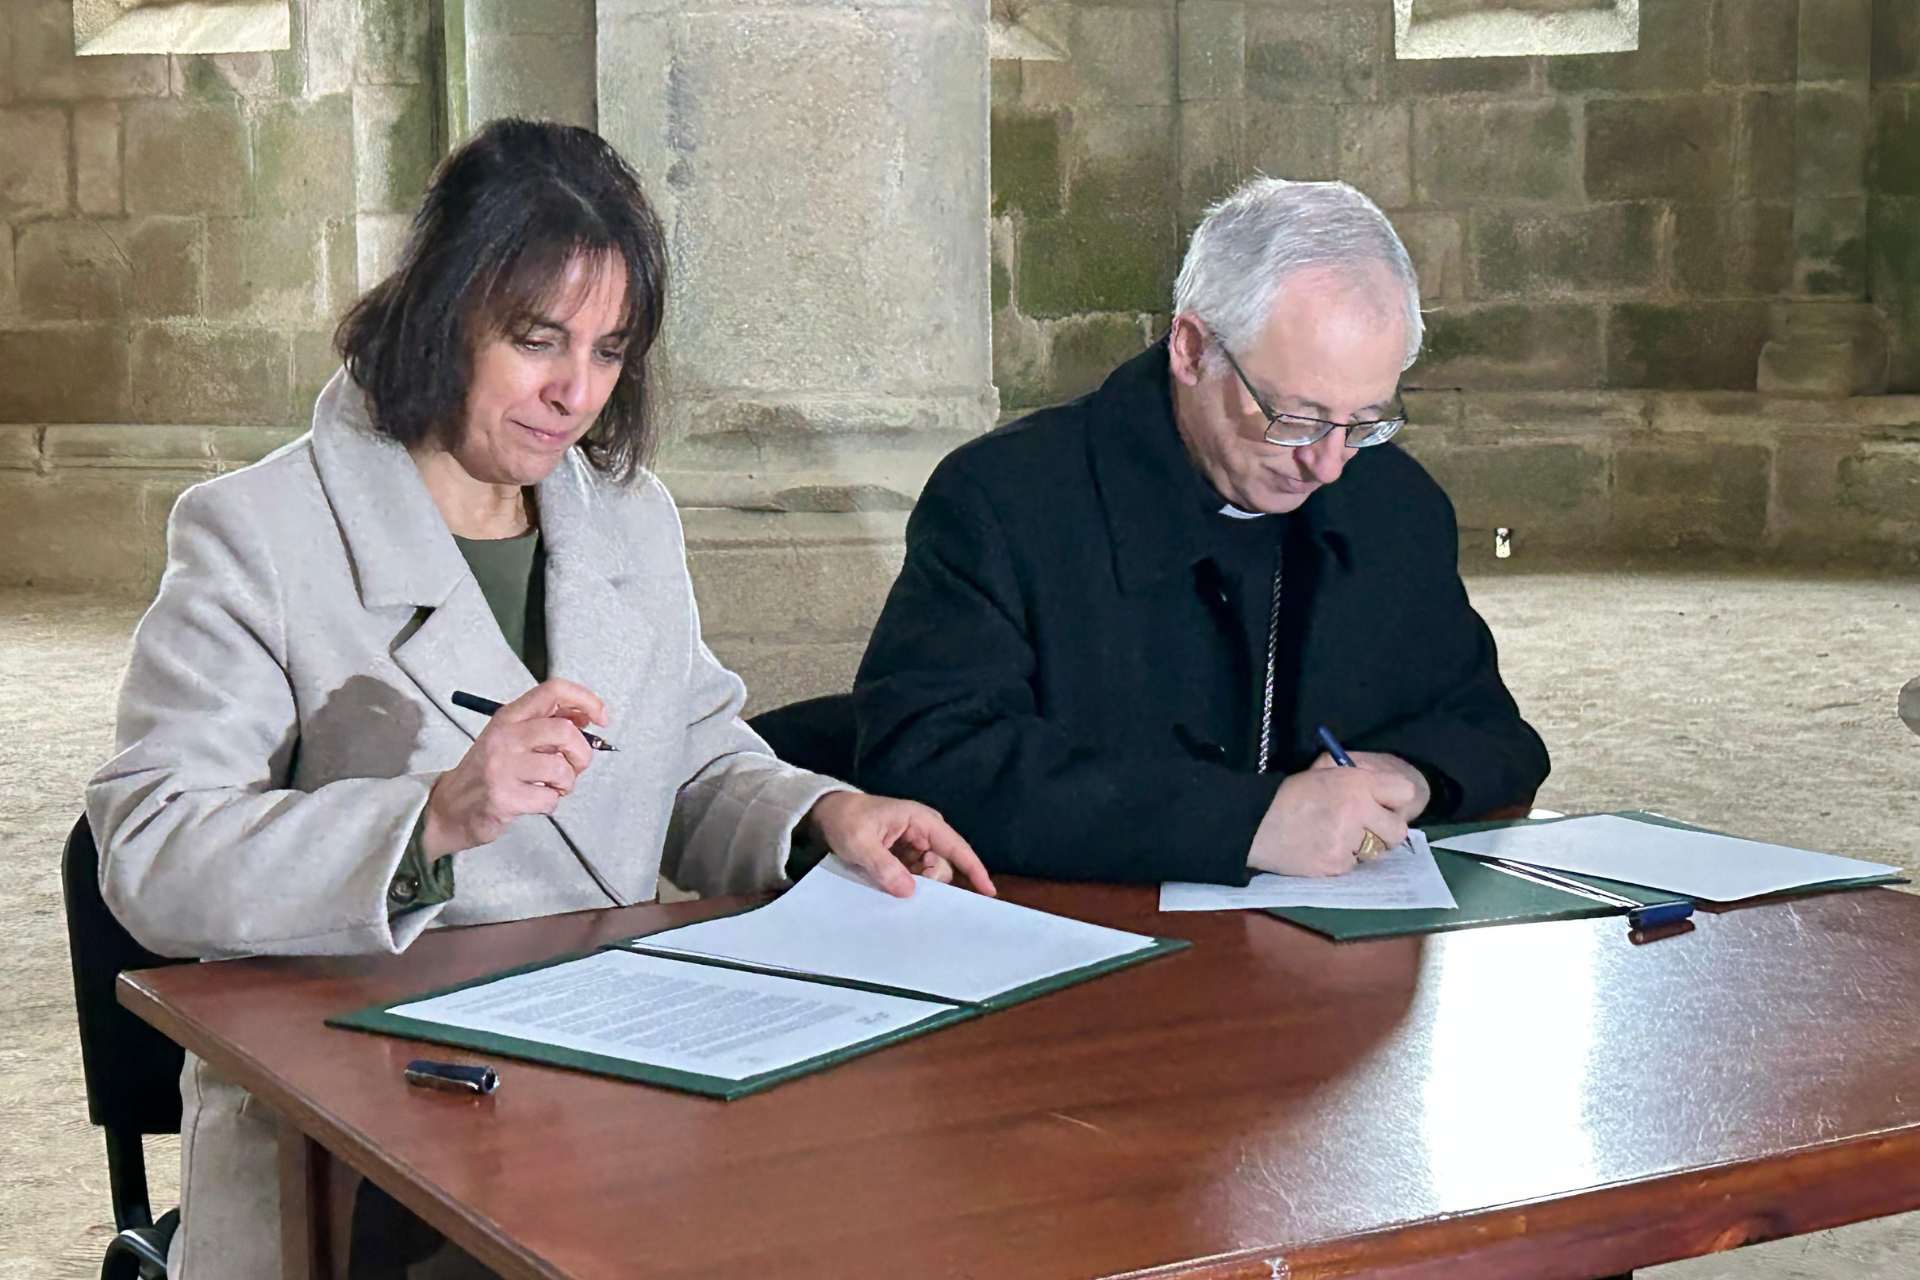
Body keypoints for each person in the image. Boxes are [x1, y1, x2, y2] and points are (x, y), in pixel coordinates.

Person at [86, 118, 991, 1280]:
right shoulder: (257, 532)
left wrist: (821, 815)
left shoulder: (628, 515)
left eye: (610, 352)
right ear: (440, 305)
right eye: (536, 339)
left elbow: (692, 758)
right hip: (356, 1145)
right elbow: (152, 853)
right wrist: (430, 823)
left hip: (611, 1091)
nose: (576, 393)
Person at [853, 177, 1549, 887]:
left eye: (1365, 420)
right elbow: (929, 754)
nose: (1329, 464)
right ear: (1191, 349)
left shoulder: (1397, 504)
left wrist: (1411, 774)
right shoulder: (1002, 499)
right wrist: (1244, 821)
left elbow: (1494, 732)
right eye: (1297, 416)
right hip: (1083, 942)